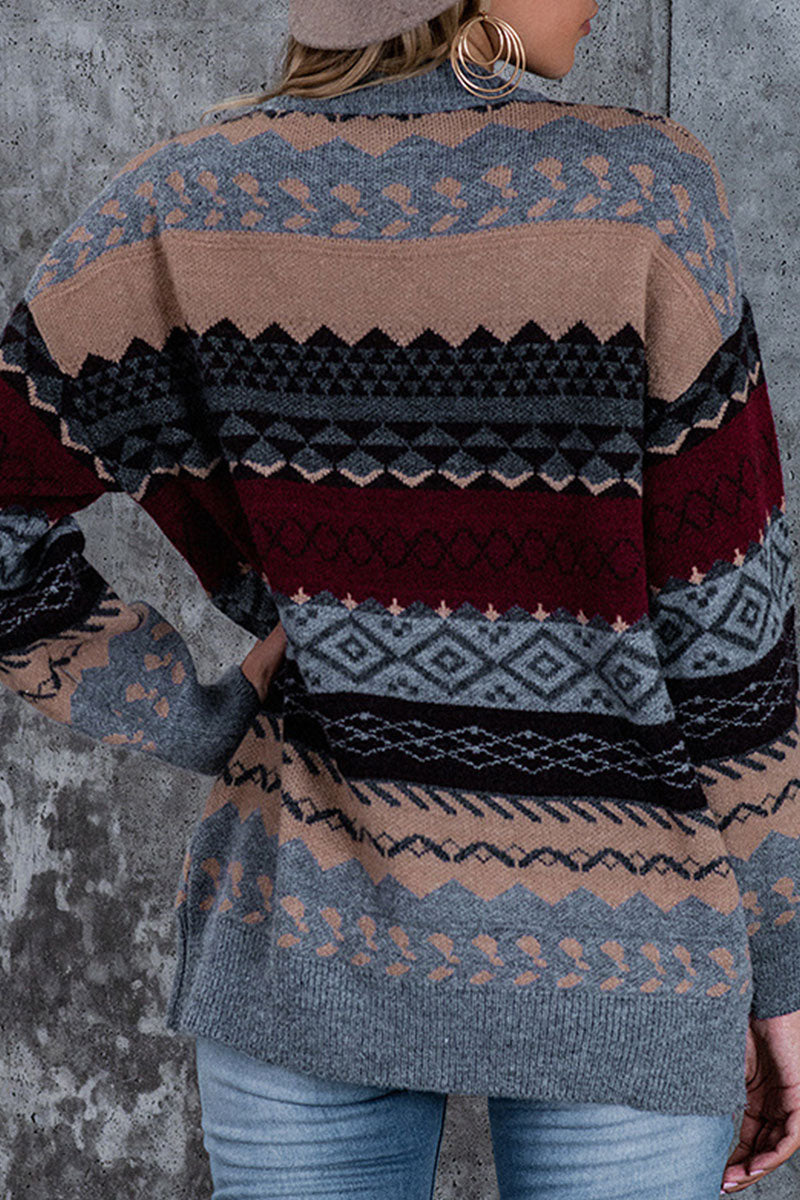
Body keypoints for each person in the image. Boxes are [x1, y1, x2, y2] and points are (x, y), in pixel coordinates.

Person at [1, 0, 799, 1196]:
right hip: (622, 955)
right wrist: (780, 970)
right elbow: (732, 638)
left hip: (305, 934)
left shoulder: (181, 201)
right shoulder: (641, 194)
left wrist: (202, 714)